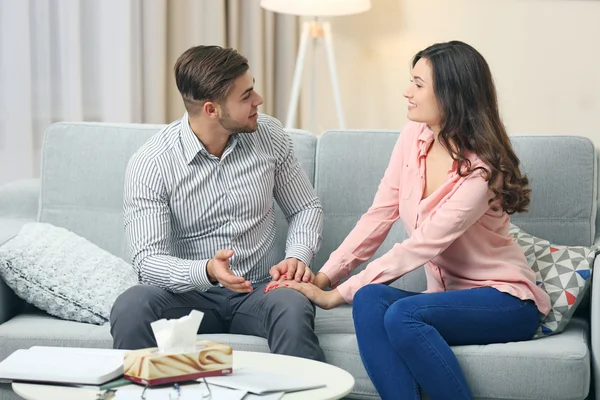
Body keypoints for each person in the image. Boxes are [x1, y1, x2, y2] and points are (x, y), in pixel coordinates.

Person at [266, 40, 551, 399]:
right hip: (445, 300)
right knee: (370, 299)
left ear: (451, 94)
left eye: (418, 84)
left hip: (504, 301)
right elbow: (378, 216)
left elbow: (420, 246)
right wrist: (323, 278)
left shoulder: (482, 172)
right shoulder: (413, 137)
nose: (407, 92)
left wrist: (335, 296)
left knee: (402, 315)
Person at [110, 45, 325, 362]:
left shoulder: (269, 135)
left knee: (293, 305)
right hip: (188, 297)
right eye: (246, 96)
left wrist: (297, 257)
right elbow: (148, 262)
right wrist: (208, 270)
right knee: (132, 305)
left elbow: (305, 208)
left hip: (260, 290)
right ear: (212, 110)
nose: (259, 101)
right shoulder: (152, 163)